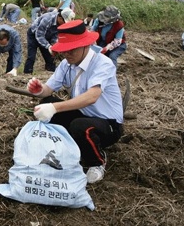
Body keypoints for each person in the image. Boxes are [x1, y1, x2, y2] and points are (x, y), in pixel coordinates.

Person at [27, 19, 123, 183]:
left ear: (85, 45)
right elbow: (48, 89)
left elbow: (92, 97)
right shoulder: (66, 64)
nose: (67, 54)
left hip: (108, 124)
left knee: (79, 126)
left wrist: (55, 107)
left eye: (72, 50)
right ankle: (65, 148)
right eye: (64, 50)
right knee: (48, 102)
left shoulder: (103, 64)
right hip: (82, 114)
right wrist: (39, 90)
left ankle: (97, 161)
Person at [23, 8, 75, 74]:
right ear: (60, 18)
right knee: (31, 57)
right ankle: (27, 74)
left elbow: (55, 35)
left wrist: (54, 45)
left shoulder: (61, 24)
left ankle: (51, 73)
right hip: (34, 34)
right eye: (65, 22)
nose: (65, 24)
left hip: (47, 36)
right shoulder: (48, 19)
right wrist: (48, 46)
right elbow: (39, 35)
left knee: (50, 59)